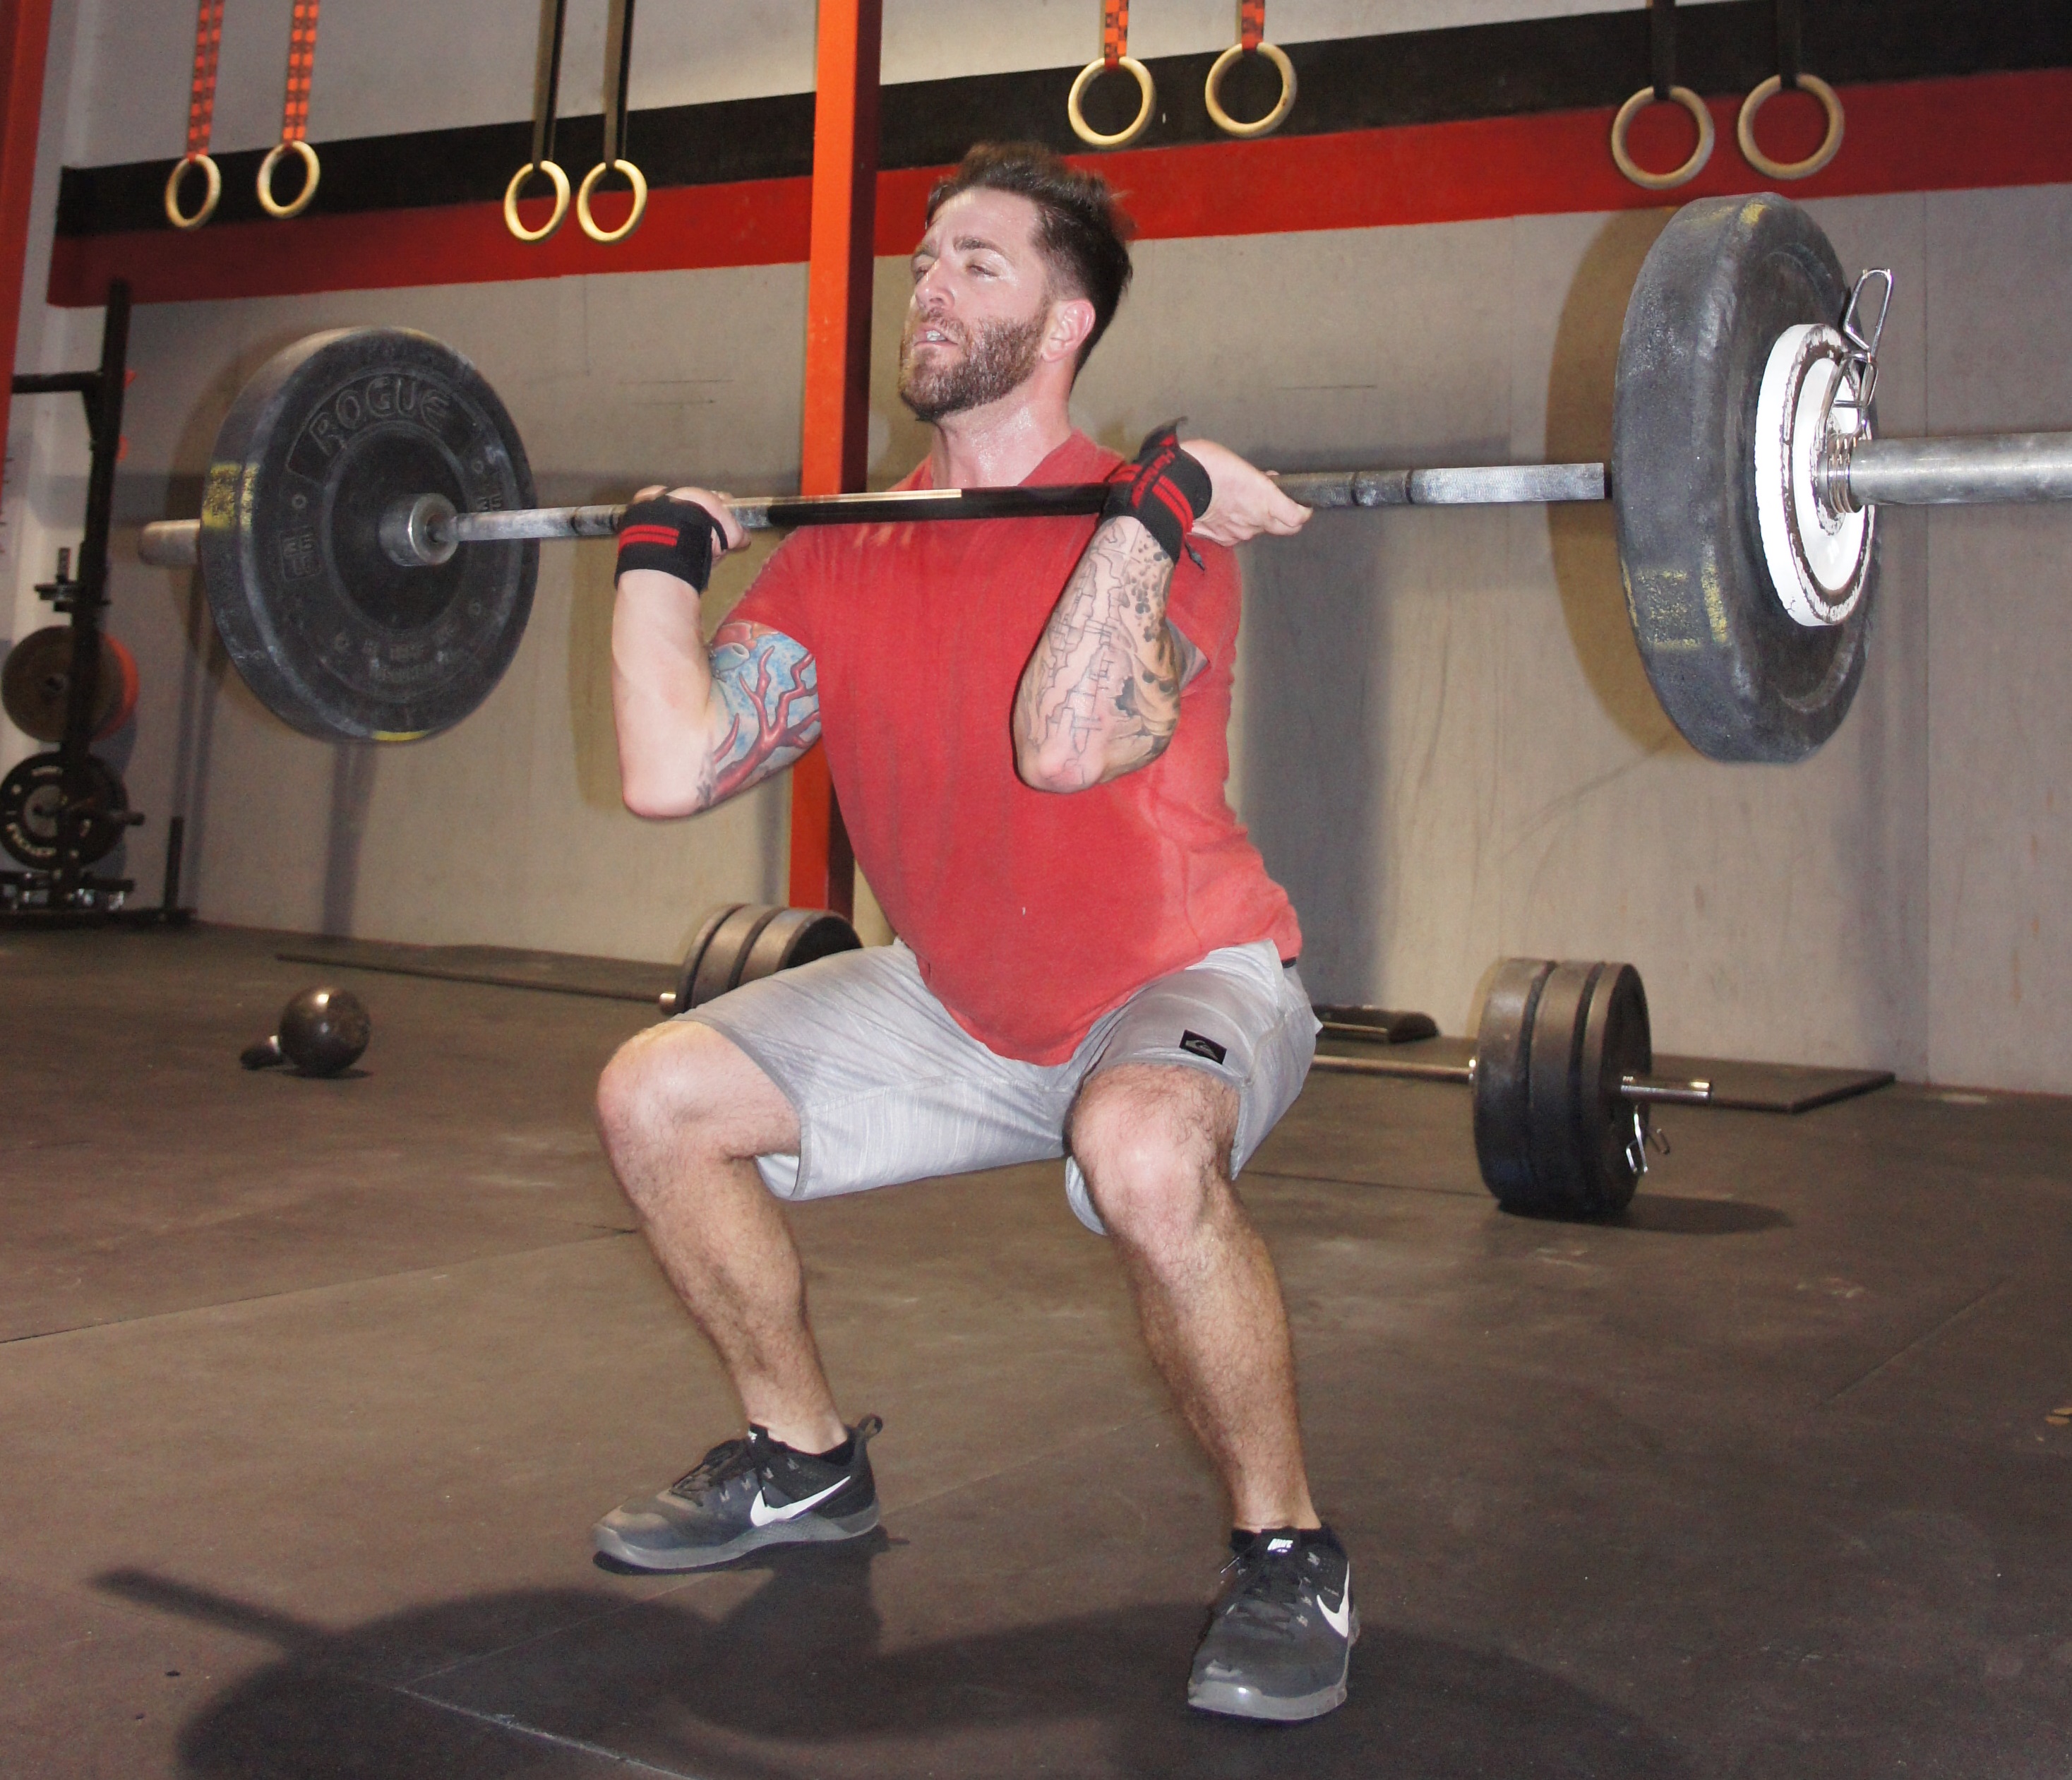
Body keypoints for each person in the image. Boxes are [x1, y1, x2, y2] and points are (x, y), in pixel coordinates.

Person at [592, 141, 1352, 1724]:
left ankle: (1288, 1550)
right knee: (654, 1096)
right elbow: (671, 769)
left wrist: (1160, 501)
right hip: (959, 1002)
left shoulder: (1171, 532)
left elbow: (1066, 745)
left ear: (1068, 322)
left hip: (1181, 975)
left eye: (978, 261)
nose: (930, 285)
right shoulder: (843, 546)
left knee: (1145, 1150)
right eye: (926, 258)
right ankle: (803, 1459)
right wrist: (658, 569)